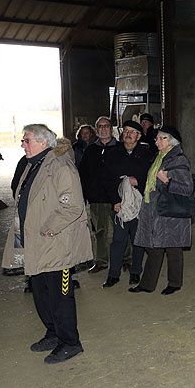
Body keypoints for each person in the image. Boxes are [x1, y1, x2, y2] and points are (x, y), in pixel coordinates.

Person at [7, 124, 92, 364]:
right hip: (35, 243)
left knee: (60, 296)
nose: (23, 144)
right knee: (40, 293)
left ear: (44, 142)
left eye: (27, 140)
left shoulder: (61, 166)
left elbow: (73, 205)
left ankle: (70, 342)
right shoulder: (32, 165)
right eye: (23, 140)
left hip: (55, 243)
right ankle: (53, 333)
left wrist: (48, 228)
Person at [129, 126, 194, 295]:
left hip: (171, 210)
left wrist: (167, 181)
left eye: (161, 138)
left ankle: (174, 283)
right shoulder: (159, 157)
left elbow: (187, 188)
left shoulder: (178, 160)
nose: (156, 141)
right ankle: (147, 284)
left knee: (173, 248)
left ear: (170, 140)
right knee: (154, 246)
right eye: (157, 138)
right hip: (155, 208)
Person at [102, 120, 154, 287]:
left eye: (132, 132)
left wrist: (137, 181)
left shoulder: (147, 154)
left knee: (137, 240)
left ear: (138, 136)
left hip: (140, 203)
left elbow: (151, 178)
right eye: (126, 131)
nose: (128, 134)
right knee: (118, 240)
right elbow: (108, 180)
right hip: (121, 204)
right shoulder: (112, 154)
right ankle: (113, 274)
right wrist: (115, 201)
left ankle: (135, 272)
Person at [78, 115, 118, 273]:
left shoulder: (119, 148)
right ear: (96, 129)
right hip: (97, 199)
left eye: (106, 126)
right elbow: (83, 174)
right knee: (100, 232)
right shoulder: (91, 150)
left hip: (117, 199)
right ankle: (101, 261)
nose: (103, 129)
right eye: (100, 126)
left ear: (111, 128)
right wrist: (86, 194)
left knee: (121, 231)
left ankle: (126, 258)